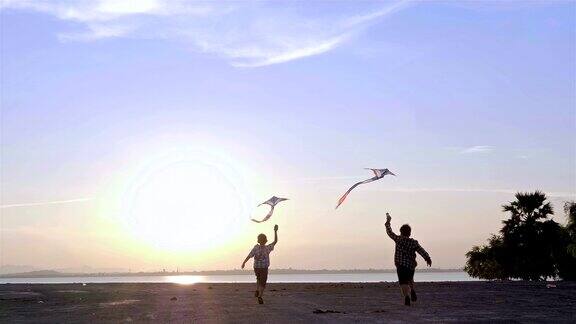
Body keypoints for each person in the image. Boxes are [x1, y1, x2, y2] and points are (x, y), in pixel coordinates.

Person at [385, 212, 432, 306]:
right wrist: (427, 258)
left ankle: (407, 296)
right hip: (410, 266)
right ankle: (412, 290)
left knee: (403, 282)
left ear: (401, 232)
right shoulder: (413, 243)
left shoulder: (398, 239)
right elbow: (421, 251)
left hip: (400, 265)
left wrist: (388, 221)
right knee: (410, 280)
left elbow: (389, 232)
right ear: (409, 233)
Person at [241, 224, 278, 304]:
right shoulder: (268, 248)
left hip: (256, 267)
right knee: (263, 282)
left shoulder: (256, 247)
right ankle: (260, 296)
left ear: (258, 240)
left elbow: (249, 255)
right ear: (266, 240)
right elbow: (275, 241)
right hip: (264, 268)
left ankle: (257, 290)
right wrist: (275, 231)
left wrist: (244, 262)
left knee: (258, 279)